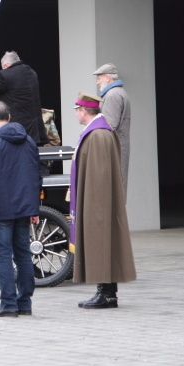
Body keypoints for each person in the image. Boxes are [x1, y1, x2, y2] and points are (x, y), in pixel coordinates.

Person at [0, 100, 40, 318]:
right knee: (23, 255)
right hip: (23, 209)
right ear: (9, 118)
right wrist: (34, 208)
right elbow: (35, 178)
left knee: (3, 256)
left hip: (0, 210)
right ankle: (25, 303)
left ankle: (8, 304)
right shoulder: (28, 141)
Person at [70, 92, 136, 309]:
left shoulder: (98, 135)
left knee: (101, 243)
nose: (76, 114)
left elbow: (99, 175)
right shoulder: (98, 132)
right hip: (97, 199)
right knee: (103, 244)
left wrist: (94, 207)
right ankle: (106, 292)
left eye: (77, 110)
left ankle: (106, 294)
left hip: (97, 201)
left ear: (84, 111)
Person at [0, 51, 48, 146]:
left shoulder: (7, 76)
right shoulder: (30, 72)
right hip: (35, 133)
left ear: (6, 65)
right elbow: (11, 88)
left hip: (18, 134)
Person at [93, 63, 131, 197]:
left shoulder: (112, 95)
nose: (97, 82)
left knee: (112, 190)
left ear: (107, 78)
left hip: (113, 149)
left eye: (99, 78)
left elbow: (109, 125)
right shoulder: (118, 93)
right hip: (117, 147)